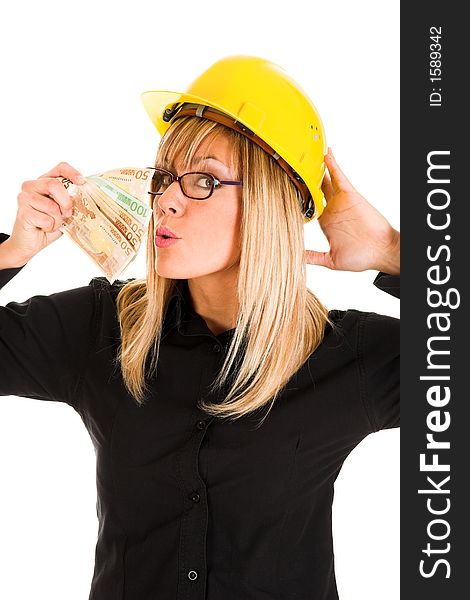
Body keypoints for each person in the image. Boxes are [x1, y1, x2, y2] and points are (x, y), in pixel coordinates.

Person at [0, 56, 399, 600]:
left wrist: (398, 254)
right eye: (165, 177)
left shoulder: (347, 357)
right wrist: (13, 250)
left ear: (271, 204)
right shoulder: (104, 329)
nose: (165, 199)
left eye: (204, 180)